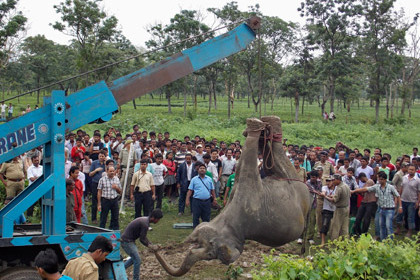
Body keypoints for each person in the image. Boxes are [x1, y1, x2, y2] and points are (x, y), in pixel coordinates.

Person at [352, 172, 402, 240]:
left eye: (381, 179)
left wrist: (400, 206)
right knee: (381, 225)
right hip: (381, 208)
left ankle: (390, 241)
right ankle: (382, 239)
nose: (380, 181)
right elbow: (365, 189)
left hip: (389, 209)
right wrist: (354, 191)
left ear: (385, 179)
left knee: (388, 226)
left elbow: (398, 196)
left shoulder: (391, 187)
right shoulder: (377, 186)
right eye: (379, 179)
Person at [120, 209, 163, 280]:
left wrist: (151, 244)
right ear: (154, 218)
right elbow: (142, 239)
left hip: (127, 240)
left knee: (134, 258)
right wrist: (150, 246)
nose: (158, 221)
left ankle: (120, 270)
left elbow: (144, 237)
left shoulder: (145, 220)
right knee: (137, 260)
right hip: (127, 242)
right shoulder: (145, 224)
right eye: (158, 219)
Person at [186, 163, 218, 228]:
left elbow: (212, 190)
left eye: (203, 168)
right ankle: (195, 232)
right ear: (198, 170)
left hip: (207, 201)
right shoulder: (194, 179)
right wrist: (187, 199)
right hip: (196, 201)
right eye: (201, 168)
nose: (202, 170)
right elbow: (190, 190)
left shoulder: (209, 179)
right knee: (196, 217)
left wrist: (214, 199)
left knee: (206, 218)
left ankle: (205, 231)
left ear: (206, 170)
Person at [320, 174, 350, 241]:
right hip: (346, 208)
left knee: (335, 226)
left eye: (334, 180)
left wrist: (325, 197)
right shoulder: (346, 186)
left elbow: (333, 200)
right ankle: (345, 241)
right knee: (344, 227)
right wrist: (331, 196)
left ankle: (334, 241)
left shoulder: (339, 188)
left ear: (338, 180)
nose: (332, 182)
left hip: (339, 209)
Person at [395, 164, 420, 237]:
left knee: (410, 217)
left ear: (415, 171)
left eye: (412, 170)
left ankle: (409, 231)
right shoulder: (404, 178)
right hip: (403, 200)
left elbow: (419, 192)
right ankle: (398, 229)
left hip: (412, 201)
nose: (411, 171)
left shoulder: (418, 180)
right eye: (409, 169)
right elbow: (401, 188)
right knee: (400, 215)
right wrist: (398, 198)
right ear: (407, 169)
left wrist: (418, 202)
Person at [88, 150, 107, 224]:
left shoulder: (106, 164)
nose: (101, 158)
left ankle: (102, 217)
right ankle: (94, 218)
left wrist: (105, 164)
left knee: (104, 201)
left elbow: (108, 172)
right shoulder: (94, 163)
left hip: (104, 184)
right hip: (95, 183)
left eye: (103, 156)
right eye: (100, 156)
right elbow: (90, 174)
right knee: (94, 201)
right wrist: (96, 170)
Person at [319, 176, 336, 246]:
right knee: (324, 225)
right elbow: (323, 192)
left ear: (333, 181)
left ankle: (333, 240)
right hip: (326, 209)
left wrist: (326, 196)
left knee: (334, 226)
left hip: (335, 209)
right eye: (327, 181)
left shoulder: (337, 188)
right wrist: (323, 194)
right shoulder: (324, 187)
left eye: (329, 181)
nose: (328, 183)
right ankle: (323, 242)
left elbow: (335, 197)